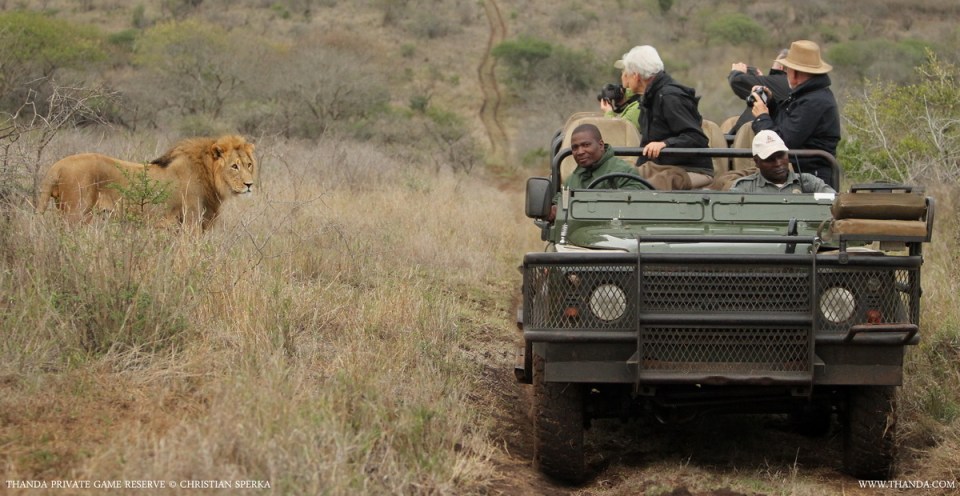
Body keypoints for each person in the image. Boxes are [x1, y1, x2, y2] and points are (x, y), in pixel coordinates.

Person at [617, 45, 714, 190]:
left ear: (636, 75)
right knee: (619, 175)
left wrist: (665, 144)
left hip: (690, 169)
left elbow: (696, 137)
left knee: (651, 185)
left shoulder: (670, 96)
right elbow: (646, 145)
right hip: (661, 166)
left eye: (626, 73)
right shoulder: (649, 98)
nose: (624, 77)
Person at [750, 40, 841, 182]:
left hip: (807, 179)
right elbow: (789, 125)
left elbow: (780, 144)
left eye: (787, 69)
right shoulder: (809, 95)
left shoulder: (814, 101)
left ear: (795, 74)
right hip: (798, 172)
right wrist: (771, 103)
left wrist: (762, 117)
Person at [549, 123, 647, 221]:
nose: (580, 152)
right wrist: (553, 211)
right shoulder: (573, 178)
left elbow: (637, 203)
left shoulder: (622, 171)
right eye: (575, 147)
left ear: (600, 145)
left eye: (586, 145)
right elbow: (560, 202)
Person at [730, 130, 835, 194]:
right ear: (757, 162)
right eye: (770, 159)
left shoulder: (809, 183)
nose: (778, 163)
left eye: (781, 156)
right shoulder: (744, 187)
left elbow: (834, 202)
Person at [727, 48, 790, 134]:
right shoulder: (801, 88)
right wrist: (761, 79)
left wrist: (736, 72)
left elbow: (736, 81)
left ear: (781, 67)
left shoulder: (779, 81)